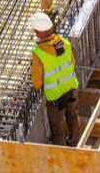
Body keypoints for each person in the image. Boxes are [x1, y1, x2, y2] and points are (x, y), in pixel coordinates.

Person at [30, 12, 80, 146]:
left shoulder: (39, 53)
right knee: (72, 117)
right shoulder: (65, 43)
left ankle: (62, 155)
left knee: (57, 130)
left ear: (39, 33)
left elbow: (37, 83)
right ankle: (75, 143)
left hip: (55, 98)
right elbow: (73, 63)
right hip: (71, 89)